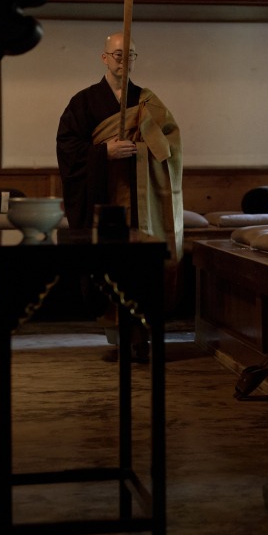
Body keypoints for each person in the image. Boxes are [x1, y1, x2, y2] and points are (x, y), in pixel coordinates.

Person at [56, 33, 185, 355]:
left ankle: (142, 333)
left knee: (142, 262)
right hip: (104, 199)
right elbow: (68, 149)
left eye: (129, 55)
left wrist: (145, 139)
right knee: (110, 263)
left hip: (142, 199)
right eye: (116, 54)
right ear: (104, 57)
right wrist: (103, 152)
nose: (122, 61)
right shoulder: (83, 102)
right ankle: (119, 334)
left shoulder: (147, 99)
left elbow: (170, 147)